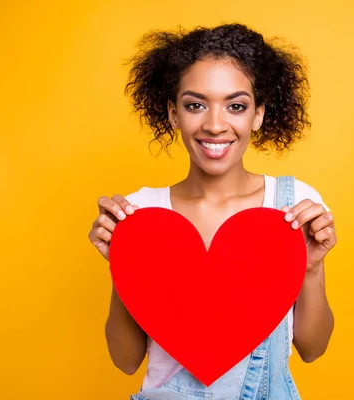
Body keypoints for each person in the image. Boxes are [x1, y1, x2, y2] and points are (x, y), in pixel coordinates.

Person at [88, 23, 337, 399]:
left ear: (257, 115)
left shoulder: (292, 206)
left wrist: (311, 267)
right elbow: (125, 360)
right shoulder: (141, 212)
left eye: (236, 106)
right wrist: (122, 264)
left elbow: (312, 349)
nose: (215, 125)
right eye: (195, 105)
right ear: (173, 113)